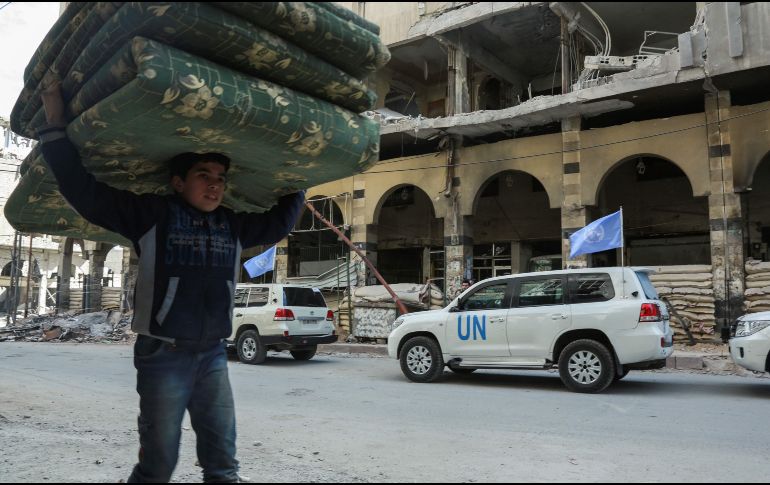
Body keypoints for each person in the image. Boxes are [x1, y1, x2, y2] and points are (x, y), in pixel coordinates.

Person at [38, 82, 305, 483]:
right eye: (203, 175)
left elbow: (280, 222)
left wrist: (304, 176)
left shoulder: (232, 225)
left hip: (214, 354)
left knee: (223, 464)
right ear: (178, 182)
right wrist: (55, 126)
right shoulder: (152, 216)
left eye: (220, 176)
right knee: (158, 466)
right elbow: (86, 194)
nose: (215, 184)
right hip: (163, 356)